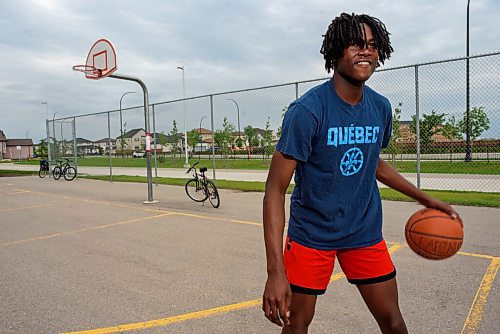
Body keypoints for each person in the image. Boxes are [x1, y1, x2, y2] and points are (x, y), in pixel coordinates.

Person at [262, 12, 461, 334]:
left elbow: (374, 163)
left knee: (393, 321)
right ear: (335, 51)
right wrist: (275, 272)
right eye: (354, 44)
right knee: (297, 323)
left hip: (362, 232)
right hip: (312, 234)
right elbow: (275, 189)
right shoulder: (307, 111)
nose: (365, 51)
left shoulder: (380, 107)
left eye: (371, 45)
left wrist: (427, 199)